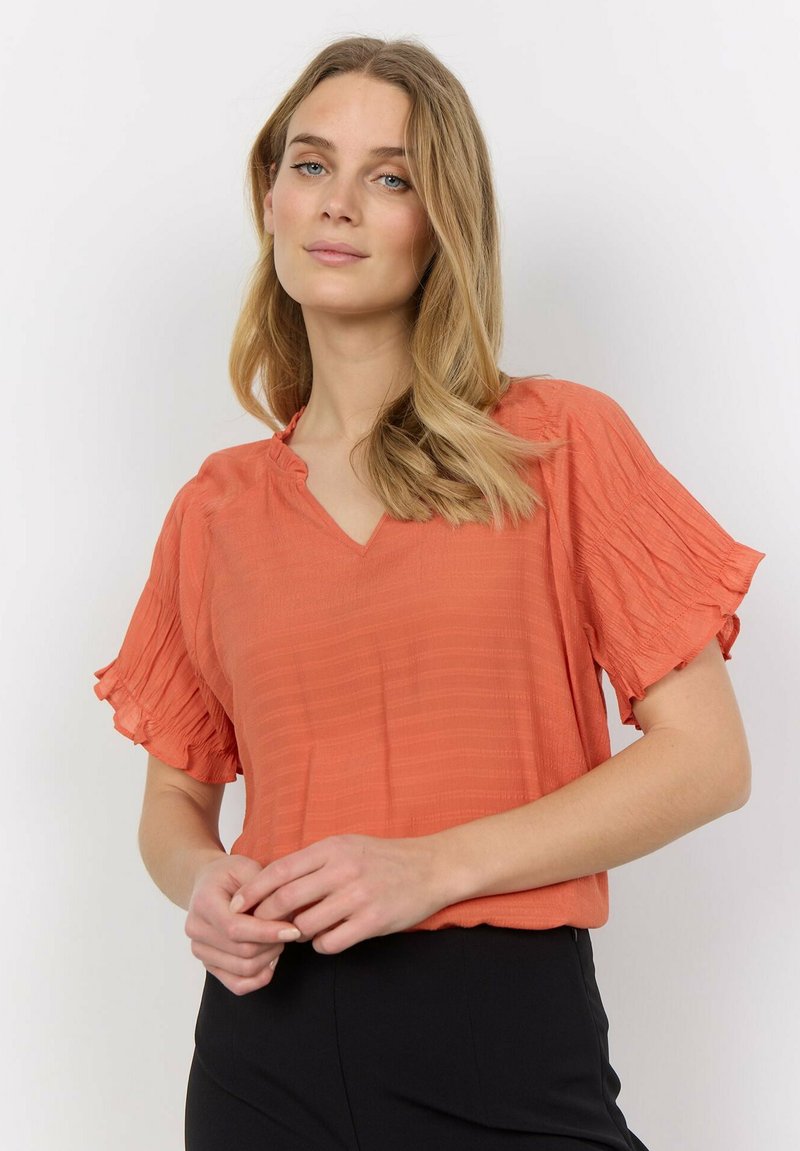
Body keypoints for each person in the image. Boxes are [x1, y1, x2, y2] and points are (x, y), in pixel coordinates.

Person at [92, 34, 766, 1151]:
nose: (339, 203)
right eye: (312, 164)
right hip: (264, 1054)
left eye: (390, 177)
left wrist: (431, 865)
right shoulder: (215, 510)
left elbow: (708, 758)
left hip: (503, 1041)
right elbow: (173, 799)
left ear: (442, 218)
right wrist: (203, 882)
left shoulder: (555, 443)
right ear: (270, 197)